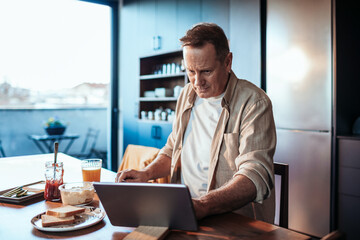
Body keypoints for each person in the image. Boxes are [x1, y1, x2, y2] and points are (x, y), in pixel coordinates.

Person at [116, 23, 276, 223]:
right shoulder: (186, 94)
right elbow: (173, 148)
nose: (197, 82)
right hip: (185, 212)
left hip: (234, 220)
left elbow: (255, 175)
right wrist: (145, 174)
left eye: (206, 71)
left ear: (228, 62)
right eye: (190, 71)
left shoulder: (254, 102)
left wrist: (203, 204)